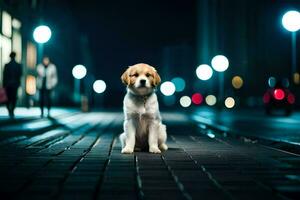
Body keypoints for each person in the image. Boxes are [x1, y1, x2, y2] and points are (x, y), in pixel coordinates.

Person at [3, 52, 23, 118]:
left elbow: (4, 75)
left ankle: (10, 109)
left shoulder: (7, 65)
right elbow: (20, 75)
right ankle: (11, 110)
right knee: (13, 97)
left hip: (9, 84)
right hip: (14, 84)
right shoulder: (18, 65)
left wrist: (4, 84)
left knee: (9, 98)